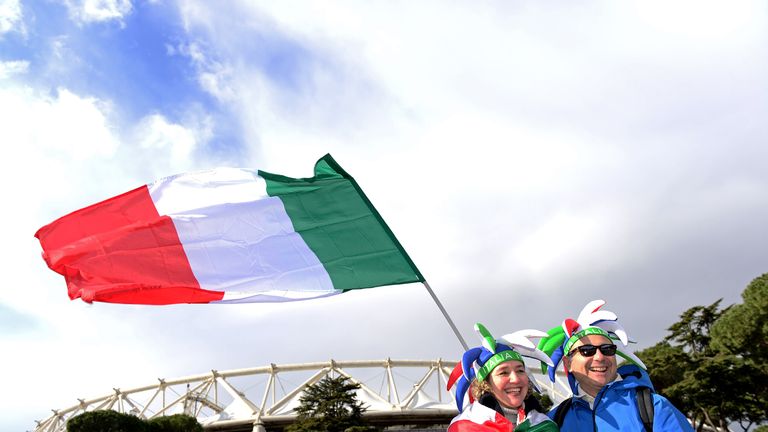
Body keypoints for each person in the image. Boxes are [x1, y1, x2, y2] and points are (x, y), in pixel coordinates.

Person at [538, 300, 693, 431]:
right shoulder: (554, 422)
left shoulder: (654, 407)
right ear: (568, 363)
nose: (599, 357)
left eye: (607, 349)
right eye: (587, 351)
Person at [447, 323, 559, 432]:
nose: (515, 379)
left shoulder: (545, 426)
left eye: (520, 370)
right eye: (503, 373)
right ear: (486, 383)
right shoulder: (464, 427)